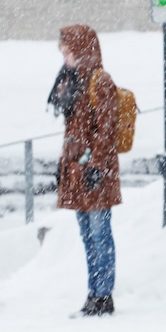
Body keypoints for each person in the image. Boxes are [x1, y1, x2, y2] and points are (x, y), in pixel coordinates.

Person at [47, 25, 123, 316]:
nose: (65, 58)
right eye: (64, 52)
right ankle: (94, 292)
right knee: (88, 236)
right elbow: (73, 129)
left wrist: (96, 165)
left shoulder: (100, 81)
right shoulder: (73, 81)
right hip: (79, 171)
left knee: (99, 233)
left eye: (68, 52)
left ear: (81, 50)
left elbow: (106, 129)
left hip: (95, 172)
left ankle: (104, 295)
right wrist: (63, 164)